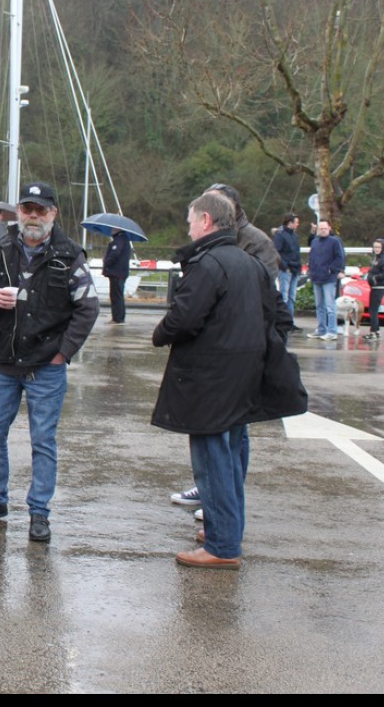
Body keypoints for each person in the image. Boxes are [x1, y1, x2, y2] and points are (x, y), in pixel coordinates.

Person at [0, 181, 100, 543]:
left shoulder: (68, 255)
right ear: (18, 212)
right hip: (2, 364)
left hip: (46, 367)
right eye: (27, 209)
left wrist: (64, 352)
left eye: (41, 210)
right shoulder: (3, 248)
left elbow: (88, 308)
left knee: (43, 441)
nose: (33, 216)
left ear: (53, 213)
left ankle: (39, 512)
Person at [151, 191, 276, 569]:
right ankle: (226, 531)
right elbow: (274, 314)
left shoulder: (208, 264)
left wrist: (160, 333)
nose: (188, 230)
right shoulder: (249, 263)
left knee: (213, 460)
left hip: (211, 378)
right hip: (243, 374)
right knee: (232, 457)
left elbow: (184, 318)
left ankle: (222, 546)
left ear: (206, 221)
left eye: (190, 222)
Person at [306, 219, 346, 341]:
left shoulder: (334, 241)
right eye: (320, 228)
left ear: (329, 229)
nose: (322, 230)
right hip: (316, 277)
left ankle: (332, 331)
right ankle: (321, 329)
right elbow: (311, 257)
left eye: (325, 228)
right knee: (319, 306)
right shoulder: (315, 242)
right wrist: (311, 270)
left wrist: (332, 269)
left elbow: (340, 257)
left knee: (330, 306)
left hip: (328, 278)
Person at [273, 212, 303, 326]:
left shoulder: (294, 236)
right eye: (296, 222)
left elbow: (296, 253)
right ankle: (283, 321)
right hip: (286, 270)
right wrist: (285, 266)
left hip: (295, 269)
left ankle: (290, 321)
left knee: (292, 297)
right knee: (284, 296)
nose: (298, 225)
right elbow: (276, 252)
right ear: (290, 223)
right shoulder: (280, 235)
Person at [101, 228, 132, 324]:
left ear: (118, 229)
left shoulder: (119, 240)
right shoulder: (125, 239)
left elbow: (115, 253)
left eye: (113, 228)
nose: (111, 230)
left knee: (116, 296)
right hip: (121, 272)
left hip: (116, 272)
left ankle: (117, 318)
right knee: (119, 296)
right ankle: (120, 317)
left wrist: (106, 262)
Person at [363, 238, 384, 340]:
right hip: (374, 287)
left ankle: (373, 332)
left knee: (373, 310)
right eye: (375, 247)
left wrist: (375, 278)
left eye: (379, 247)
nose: (376, 249)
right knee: (373, 309)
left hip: (379, 287)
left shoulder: (383, 259)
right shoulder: (376, 258)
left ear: (383, 248)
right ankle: (377, 331)